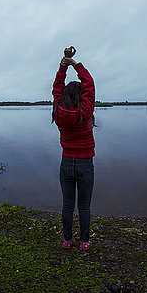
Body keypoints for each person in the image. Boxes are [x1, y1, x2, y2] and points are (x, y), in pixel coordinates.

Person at [52, 47, 95, 250]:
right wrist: (75, 63)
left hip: (66, 162)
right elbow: (89, 84)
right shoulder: (86, 109)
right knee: (84, 206)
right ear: (81, 96)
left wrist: (63, 65)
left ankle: (67, 241)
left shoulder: (58, 108)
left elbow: (57, 87)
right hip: (85, 163)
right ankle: (84, 242)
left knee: (68, 204)